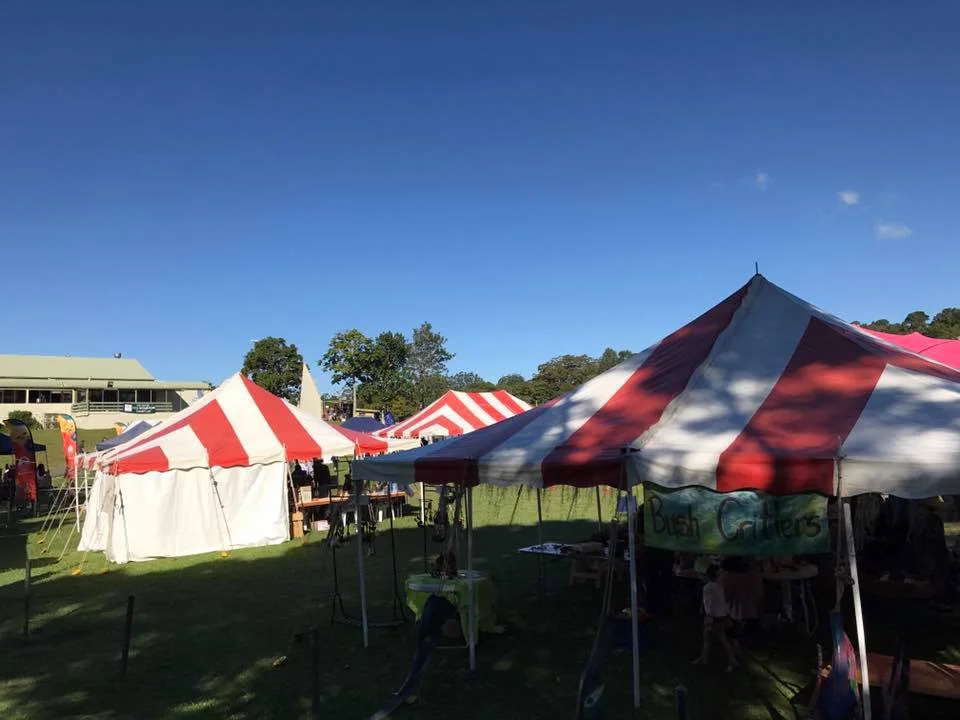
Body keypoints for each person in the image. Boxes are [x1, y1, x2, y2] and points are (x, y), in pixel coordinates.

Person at [693, 565, 740, 672]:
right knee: (708, 637)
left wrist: (709, 617)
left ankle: (732, 661)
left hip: (714, 617)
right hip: (720, 615)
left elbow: (708, 604)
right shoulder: (720, 586)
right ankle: (704, 657)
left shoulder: (709, 587)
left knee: (721, 639)